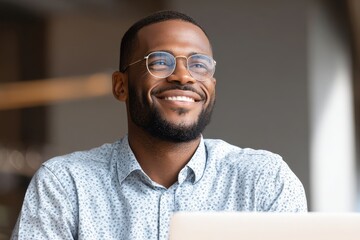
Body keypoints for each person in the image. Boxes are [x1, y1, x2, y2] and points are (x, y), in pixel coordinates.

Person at [11, 10, 307, 240]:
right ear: (120, 86)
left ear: (212, 86)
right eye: (160, 62)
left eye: (199, 64)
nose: (183, 76)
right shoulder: (65, 184)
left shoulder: (264, 181)